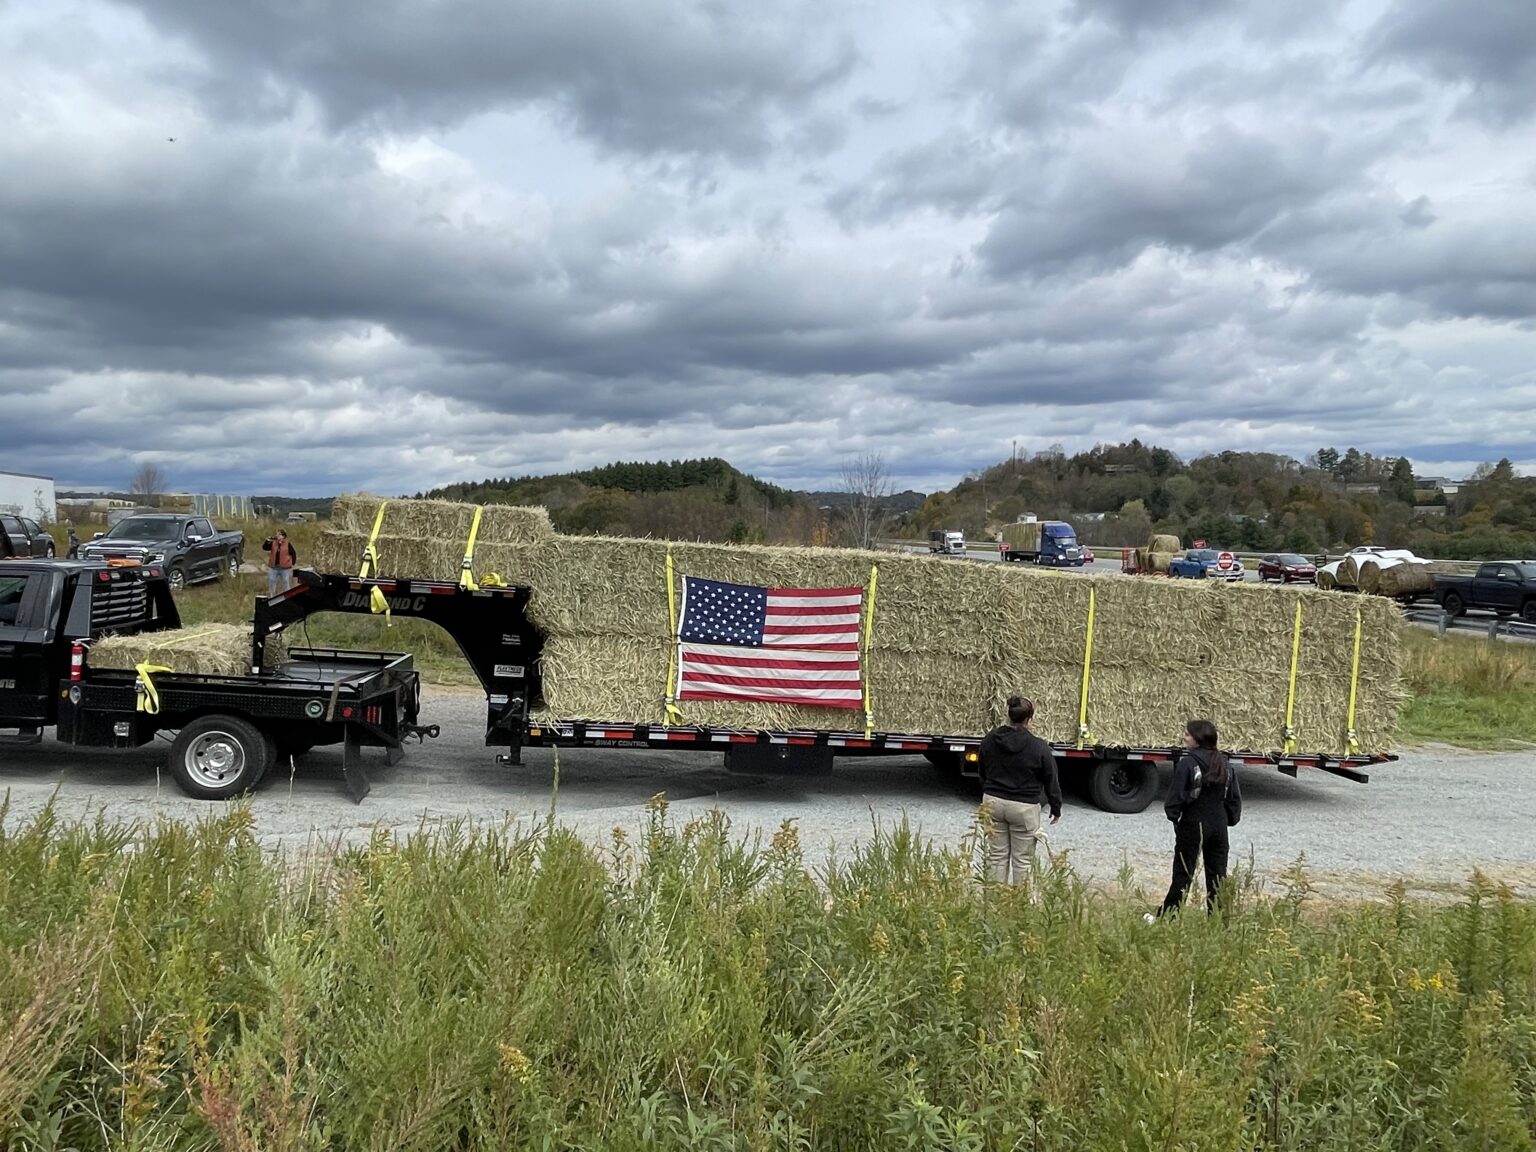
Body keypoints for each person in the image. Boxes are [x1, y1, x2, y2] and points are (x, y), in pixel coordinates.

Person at [1153, 719, 1242, 918]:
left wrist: (1175, 817)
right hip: (1219, 826)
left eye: (1187, 734)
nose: (1184, 737)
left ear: (1197, 739)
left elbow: (1174, 799)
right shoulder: (1225, 763)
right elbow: (1234, 800)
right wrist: (1227, 819)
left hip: (1194, 823)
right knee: (1218, 875)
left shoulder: (1188, 763)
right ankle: (1218, 919)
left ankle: (1169, 916)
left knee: (1183, 873)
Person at [977, 695, 1062, 885]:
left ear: (1009, 716)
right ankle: (1019, 906)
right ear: (1029, 720)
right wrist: (1056, 807)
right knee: (1022, 861)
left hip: (993, 802)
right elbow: (1051, 778)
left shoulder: (990, 739)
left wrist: (988, 789)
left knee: (996, 857)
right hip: (1024, 807)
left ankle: (994, 904)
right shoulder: (1038, 747)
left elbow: (981, 768)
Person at [262, 529, 297, 595]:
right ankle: (271, 595)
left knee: (285, 582)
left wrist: (292, 563)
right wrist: (267, 541)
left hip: (284, 568)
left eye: (279, 534)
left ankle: (288, 596)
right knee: (271, 581)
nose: (277, 535)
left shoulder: (287, 544)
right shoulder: (273, 543)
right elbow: (264, 548)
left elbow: (293, 553)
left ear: (283, 536)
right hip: (274, 567)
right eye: (277, 534)